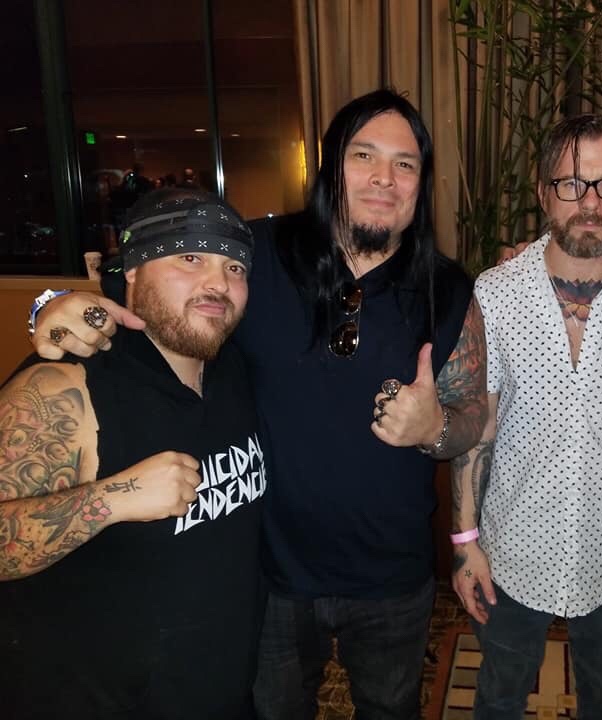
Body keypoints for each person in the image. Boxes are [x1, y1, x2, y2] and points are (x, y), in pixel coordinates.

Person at [26, 89, 487, 720]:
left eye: (404, 163)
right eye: (364, 155)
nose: (384, 177)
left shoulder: (449, 288)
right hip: (268, 575)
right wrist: (49, 304)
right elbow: (138, 292)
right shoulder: (254, 255)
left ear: (421, 183)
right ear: (331, 167)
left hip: (392, 578)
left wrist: (435, 428)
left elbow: (472, 416)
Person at [451, 115, 602, 718]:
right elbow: (478, 428)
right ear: (544, 193)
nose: (589, 203)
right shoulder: (495, 292)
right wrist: (464, 542)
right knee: (498, 698)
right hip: (510, 550)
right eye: (571, 184)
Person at [0, 187, 264, 719]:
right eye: (190, 258)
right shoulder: (65, 383)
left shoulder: (232, 366)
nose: (218, 283)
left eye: (234, 267)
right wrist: (114, 498)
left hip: (218, 692)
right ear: (135, 271)